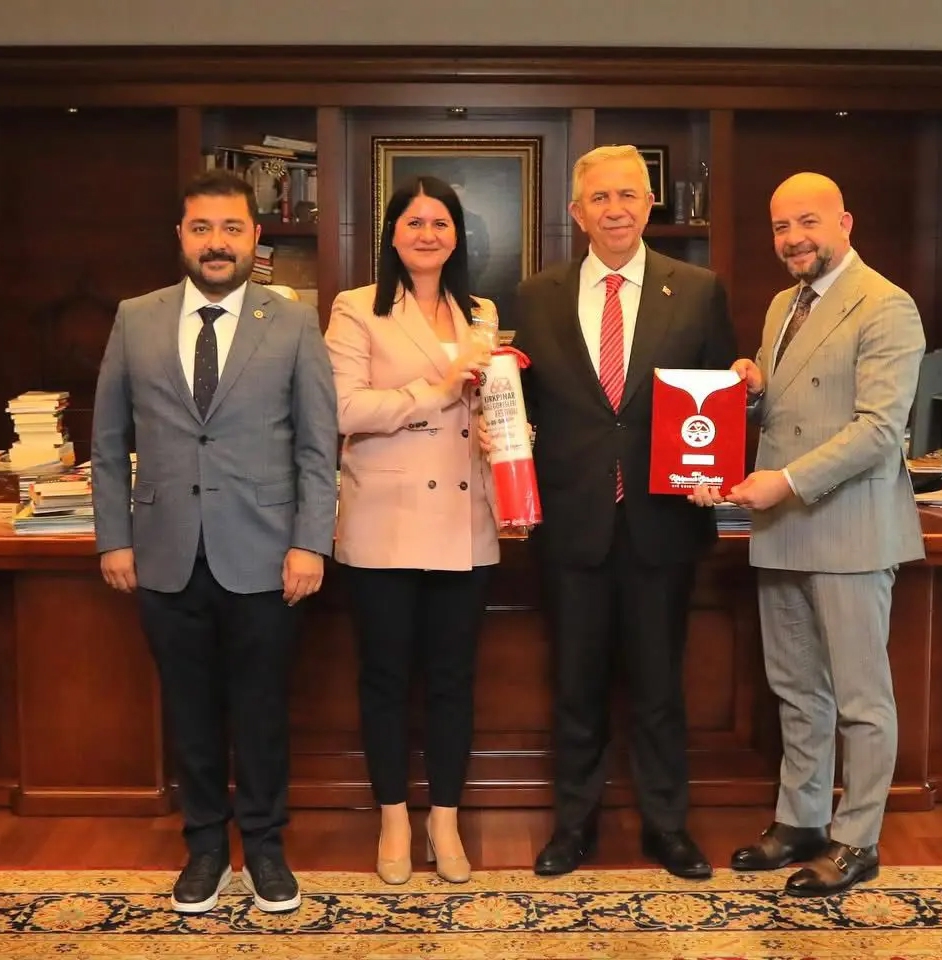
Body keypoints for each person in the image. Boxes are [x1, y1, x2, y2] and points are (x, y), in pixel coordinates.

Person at [90, 169, 338, 915]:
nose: (217, 243)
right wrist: (114, 539)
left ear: (256, 237)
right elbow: (108, 442)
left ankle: (263, 847)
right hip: (164, 552)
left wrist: (311, 543)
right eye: (202, 229)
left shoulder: (292, 322)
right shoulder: (136, 318)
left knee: (261, 711)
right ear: (181, 237)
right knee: (190, 712)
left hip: (266, 555)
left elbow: (317, 446)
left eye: (232, 228)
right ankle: (204, 848)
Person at [506, 144, 737, 880]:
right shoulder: (535, 295)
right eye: (600, 198)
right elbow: (523, 405)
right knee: (575, 688)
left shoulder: (696, 290)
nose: (616, 210)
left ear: (649, 204)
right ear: (576, 212)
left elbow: (720, 399)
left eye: (629, 195)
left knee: (660, 689)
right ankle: (573, 826)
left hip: (662, 523)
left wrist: (721, 464)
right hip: (571, 522)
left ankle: (668, 828)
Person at [691, 172, 925, 897]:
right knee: (796, 689)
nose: (793, 239)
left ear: (844, 223)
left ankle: (858, 839)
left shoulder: (886, 305)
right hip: (785, 527)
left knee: (860, 699)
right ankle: (800, 820)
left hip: (847, 527)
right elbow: (787, 411)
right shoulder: (781, 305)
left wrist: (786, 482)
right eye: (780, 227)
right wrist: (751, 389)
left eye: (808, 222)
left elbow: (879, 431)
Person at [324, 175, 498, 886]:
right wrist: (438, 389)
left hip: (465, 519)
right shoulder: (356, 307)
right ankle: (394, 815)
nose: (428, 234)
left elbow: (485, 402)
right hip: (384, 520)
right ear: (391, 234)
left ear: (457, 236)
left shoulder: (481, 312)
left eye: (441, 222)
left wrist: (499, 429)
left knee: (455, 679)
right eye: (414, 222)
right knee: (387, 678)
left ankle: (445, 818)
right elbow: (343, 409)